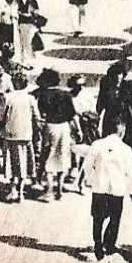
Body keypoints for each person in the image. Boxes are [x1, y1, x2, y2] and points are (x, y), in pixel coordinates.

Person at [79, 114, 132, 260]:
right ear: (122, 129)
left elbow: (87, 165)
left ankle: (97, 244)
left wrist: (88, 180)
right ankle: (109, 245)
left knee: (98, 217)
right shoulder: (126, 149)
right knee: (115, 218)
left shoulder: (97, 144)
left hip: (99, 186)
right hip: (117, 189)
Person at [32, 68, 76, 199]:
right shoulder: (66, 95)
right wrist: (77, 130)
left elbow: (41, 114)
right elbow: (72, 116)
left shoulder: (44, 96)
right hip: (65, 127)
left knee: (49, 155)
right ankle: (60, 190)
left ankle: (49, 190)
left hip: (51, 126)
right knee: (63, 156)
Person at [0, 72, 36, 203]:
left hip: (9, 134)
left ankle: (12, 190)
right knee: (23, 162)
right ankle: (21, 193)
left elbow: (0, 117)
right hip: (25, 134)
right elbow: (36, 116)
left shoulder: (7, 97)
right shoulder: (30, 98)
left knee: (10, 163)